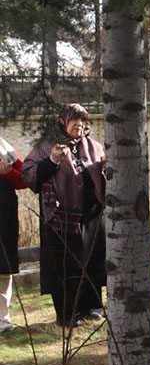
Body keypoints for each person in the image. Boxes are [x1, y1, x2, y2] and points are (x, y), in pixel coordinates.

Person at [22, 105, 107, 329]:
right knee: (64, 267)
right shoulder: (46, 146)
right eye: (75, 122)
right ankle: (67, 314)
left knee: (90, 262)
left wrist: (107, 167)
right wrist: (51, 161)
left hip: (91, 217)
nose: (80, 127)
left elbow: (102, 174)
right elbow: (28, 175)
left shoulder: (94, 147)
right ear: (63, 122)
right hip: (59, 219)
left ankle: (91, 307)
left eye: (83, 122)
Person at [1, 141, 26, 332]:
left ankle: (2, 319)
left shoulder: (5, 148)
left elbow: (24, 179)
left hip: (4, 218)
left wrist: (8, 173)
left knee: (3, 268)